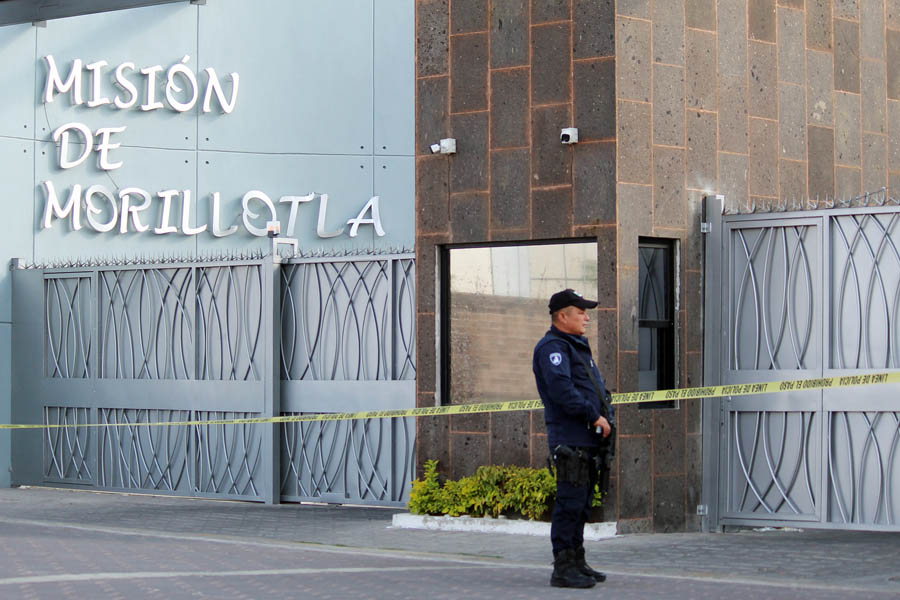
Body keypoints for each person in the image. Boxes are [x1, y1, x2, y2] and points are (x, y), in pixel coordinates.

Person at [532, 288, 615, 589]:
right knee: (569, 503)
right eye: (580, 312)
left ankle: (577, 560)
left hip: (587, 439)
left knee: (581, 504)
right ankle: (563, 567)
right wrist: (593, 415)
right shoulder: (553, 348)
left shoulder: (575, 346)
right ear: (562, 316)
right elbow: (562, 392)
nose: (586, 317)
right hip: (571, 439)